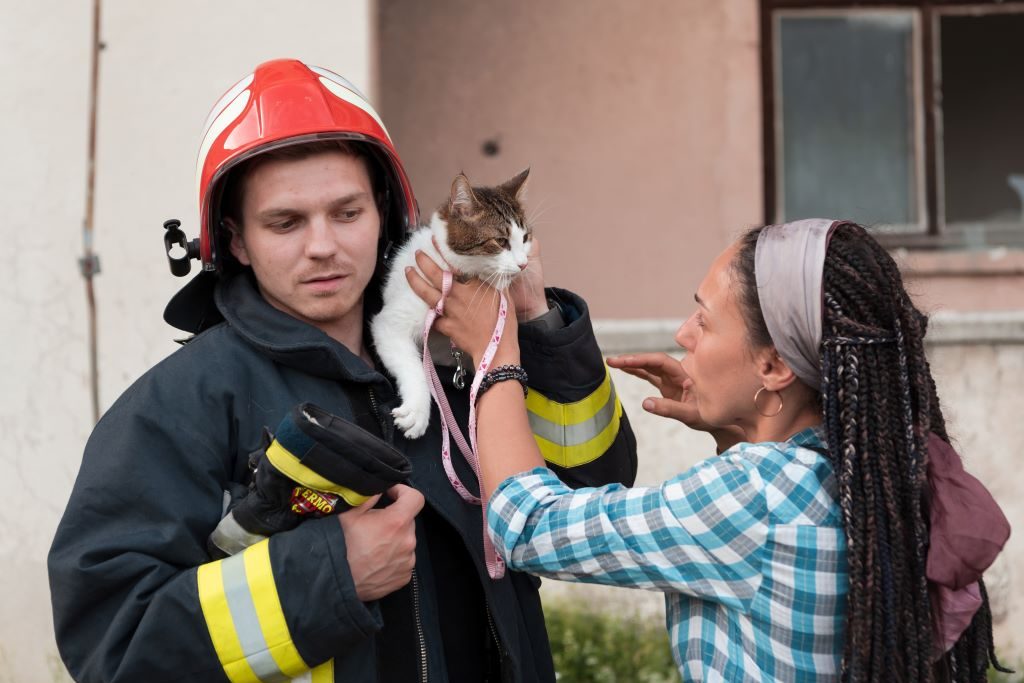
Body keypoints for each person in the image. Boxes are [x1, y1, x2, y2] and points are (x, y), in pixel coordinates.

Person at [48, 58, 637, 683]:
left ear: (384, 214)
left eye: (347, 213)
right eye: (285, 222)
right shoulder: (181, 403)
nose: (323, 245)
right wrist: (331, 576)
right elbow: (115, 644)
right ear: (236, 240)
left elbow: (591, 497)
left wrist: (533, 326)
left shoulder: (455, 355)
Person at [407, 219, 1012, 682]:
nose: (682, 335)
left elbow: (526, 525)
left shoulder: (755, 499)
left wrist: (496, 355)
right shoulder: (859, 470)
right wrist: (735, 429)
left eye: (704, 319)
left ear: (773, 366)